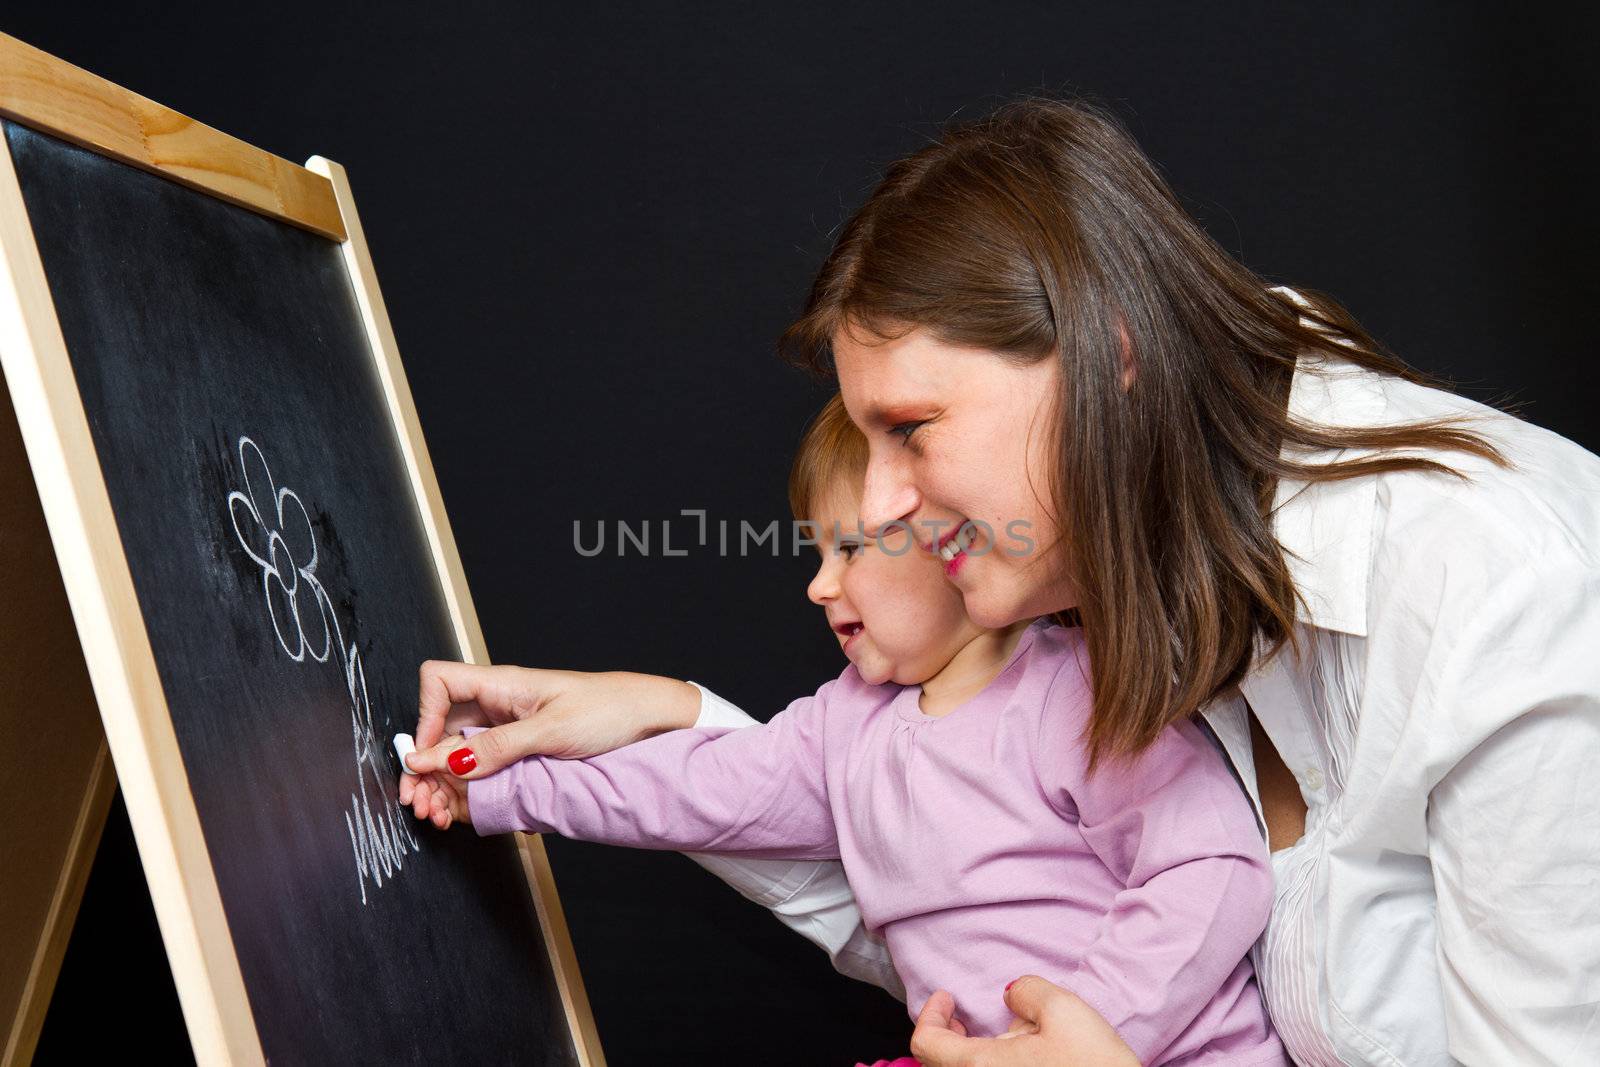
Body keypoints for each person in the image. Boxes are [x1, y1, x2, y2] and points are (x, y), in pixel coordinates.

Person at [405, 97, 1600, 1065]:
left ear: (1106, 363)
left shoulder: (1504, 592)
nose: (878, 512)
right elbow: (981, 899)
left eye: (911, 429)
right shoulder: (1136, 546)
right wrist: (671, 716)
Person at [409, 396, 1287, 1066]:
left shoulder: (1076, 693)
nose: (820, 586)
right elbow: (691, 789)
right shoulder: (846, 725)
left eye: (851, 549)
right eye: (815, 553)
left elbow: (1212, 867)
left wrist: (1092, 1029)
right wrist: (496, 786)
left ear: (955, 544)